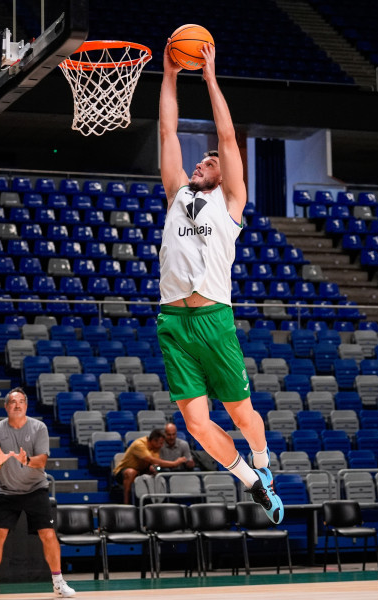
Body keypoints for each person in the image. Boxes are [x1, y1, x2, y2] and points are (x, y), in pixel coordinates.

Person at [157, 39, 284, 524]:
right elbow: (168, 131)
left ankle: (263, 462)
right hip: (173, 321)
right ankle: (253, 485)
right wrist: (169, 75)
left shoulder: (230, 203)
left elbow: (228, 141)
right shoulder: (176, 195)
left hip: (214, 317)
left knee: (238, 413)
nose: (200, 164)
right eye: (201, 162)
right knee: (194, 423)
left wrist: (208, 78)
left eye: (207, 163)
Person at [0, 387, 75, 600]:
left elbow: (42, 461)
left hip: (35, 489)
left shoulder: (38, 427)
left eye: (21, 401)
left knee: (48, 534)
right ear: (6, 406)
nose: (17, 405)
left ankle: (59, 583)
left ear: (26, 405)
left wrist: (25, 460)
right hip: (7, 491)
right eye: (13, 402)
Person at [113, 428, 188, 503]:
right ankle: (127, 504)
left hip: (141, 471)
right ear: (154, 441)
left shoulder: (156, 449)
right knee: (131, 472)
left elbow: (157, 465)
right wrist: (174, 464)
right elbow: (152, 460)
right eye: (160, 443)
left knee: (155, 473)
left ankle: (154, 502)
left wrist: (155, 468)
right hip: (123, 471)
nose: (162, 446)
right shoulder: (139, 444)